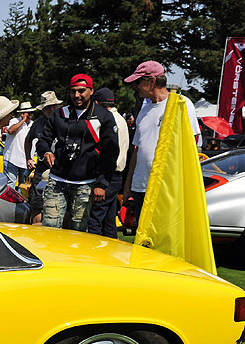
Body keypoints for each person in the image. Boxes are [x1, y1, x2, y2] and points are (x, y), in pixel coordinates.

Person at [36, 74, 120, 231]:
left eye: (81, 91)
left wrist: (102, 184)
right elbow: (43, 140)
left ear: (91, 91)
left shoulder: (103, 117)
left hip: (85, 183)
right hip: (57, 180)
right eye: (73, 91)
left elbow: (110, 153)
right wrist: (46, 151)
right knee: (49, 229)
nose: (76, 95)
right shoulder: (60, 114)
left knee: (79, 232)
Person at [123, 61, 201, 221]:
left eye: (137, 82)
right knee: (142, 240)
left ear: (151, 80)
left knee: (165, 241)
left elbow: (191, 146)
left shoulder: (181, 104)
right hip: (141, 186)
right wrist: (128, 184)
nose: (134, 87)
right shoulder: (144, 110)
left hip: (166, 188)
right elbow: (137, 149)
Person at [87, 88, 130, 238]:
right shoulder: (120, 119)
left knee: (95, 218)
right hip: (117, 174)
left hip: (107, 175)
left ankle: (93, 251)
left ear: (97, 103)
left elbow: (107, 151)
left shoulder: (107, 120)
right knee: (108, 220)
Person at [24, 91, 64, 225]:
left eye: (53, 106)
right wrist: (28, 158)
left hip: (61, 168)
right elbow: (28, 140)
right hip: (42, 168)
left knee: (62, 204)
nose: (51, 109)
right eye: (47, 107)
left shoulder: (66, 121)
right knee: (37, 202)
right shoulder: (38, 123)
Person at [2, 102, 35, 185]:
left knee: (23, 184)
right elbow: (10, 131)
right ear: (22, 114)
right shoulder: (14, 121)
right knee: (10, 183)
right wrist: (23, 120)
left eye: (31, 113)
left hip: (26, 161)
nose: (30, 115)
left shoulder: (33, 124)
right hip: (11, 158)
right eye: (28, 113)